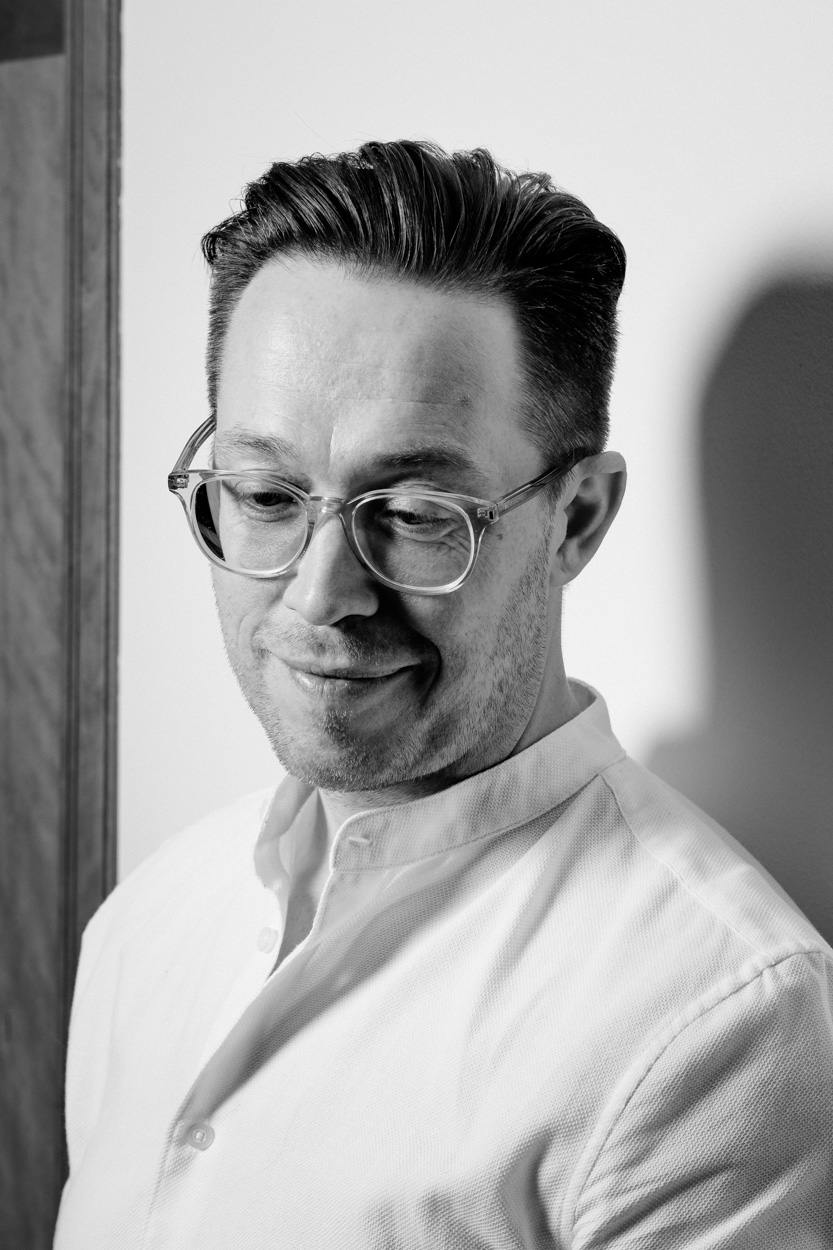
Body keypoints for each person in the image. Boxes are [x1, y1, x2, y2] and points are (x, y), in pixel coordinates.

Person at [54, 141, 833, 1248]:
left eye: (418, 514)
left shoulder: (717, 1024)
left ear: (576, 519)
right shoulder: (145, 926)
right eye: (266, 495)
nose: (321, 595)